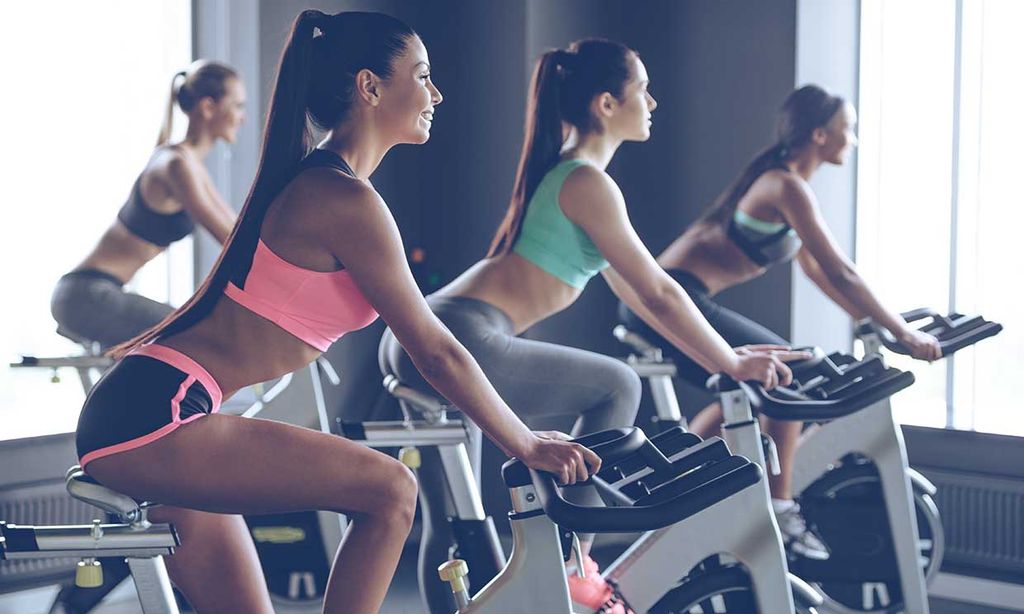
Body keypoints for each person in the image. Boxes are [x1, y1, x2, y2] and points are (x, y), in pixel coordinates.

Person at [75, 11, 595, 614]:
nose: (436, 93)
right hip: (157, 415)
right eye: (422, 76)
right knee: (390, 489)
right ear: (370, 87)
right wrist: (525, 443)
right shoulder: (342, 198)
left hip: (153, 410)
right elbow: (435, 349)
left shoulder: (328, 185)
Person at [380, 39, 802, 614]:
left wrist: (723, 355)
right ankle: (572, 566)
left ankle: (558, 569)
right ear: (607, 104)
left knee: (457, 518)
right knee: (617, 385)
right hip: (460, 333)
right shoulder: (586, 182)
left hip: (425, 332)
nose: (653, 101)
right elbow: (659, 289)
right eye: (642, 90)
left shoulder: (573, 179)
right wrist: (728, 363)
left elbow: (646, 297)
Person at [620, 84, 941, 559]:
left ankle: (676, 470)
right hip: (668, 302)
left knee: (751, 392)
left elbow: (820, 274)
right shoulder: (784, 185)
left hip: (679, 300)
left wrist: (868, 322)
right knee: (791, 375)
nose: (852, 140)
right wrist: (901, 330)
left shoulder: (788, 185)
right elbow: (842, 270)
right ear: (818, 136)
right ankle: (781, 505)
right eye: (846, 131)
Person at [51, 60, 243, 349]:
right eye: (238, 106)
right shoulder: (176, 165)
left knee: (192, 333)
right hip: (85, 294)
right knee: (195, 333)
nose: (243, 117)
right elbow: (231, 241)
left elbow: (239, 229)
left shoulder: (188, 163)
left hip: (94, 292)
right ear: (208, 107)